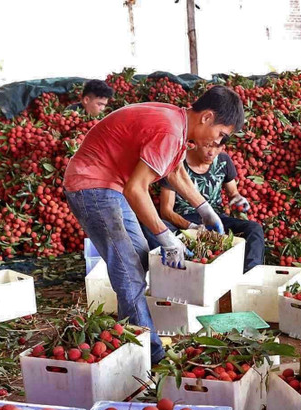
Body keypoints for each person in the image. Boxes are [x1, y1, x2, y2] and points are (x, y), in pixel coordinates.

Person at [64, 86, 245, 363]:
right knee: (128, 269)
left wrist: (205, 210)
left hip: (111, 185)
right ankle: (150, 353)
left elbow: (175, 172)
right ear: (207, 117)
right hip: (93, 186)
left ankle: (132, 333)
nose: (218, 141)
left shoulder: (177, 123)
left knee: (140, 258)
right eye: (221, 134)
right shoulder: (170, 130)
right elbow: (136, 189)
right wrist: (167, 238)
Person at [155, 142, 264, 272]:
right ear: (195, 143)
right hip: (185, 219)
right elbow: (166, 212)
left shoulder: (223, 160)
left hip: (216, 219)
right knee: (153, 230)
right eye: (207, 145)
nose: (212, 152)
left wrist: (237, 198)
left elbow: (233, 192)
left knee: (254, 229)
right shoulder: (177, 165)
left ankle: (249, 276)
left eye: (217, 146)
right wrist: (190, 226)